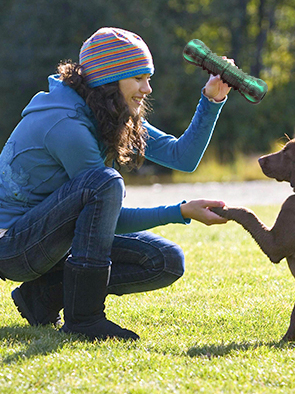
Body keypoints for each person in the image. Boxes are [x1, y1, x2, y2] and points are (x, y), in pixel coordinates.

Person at [0, 27, 231, 341]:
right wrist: (180, 211)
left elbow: (182, 157)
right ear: (108, 80)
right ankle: (84, 320)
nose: (147, 89)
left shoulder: (107, 111)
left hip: (49, 240)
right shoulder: (67, 125)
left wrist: (211, 100)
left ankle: (43, 296)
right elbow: (109, 215)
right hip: (13, 247)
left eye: (148, 77)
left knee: (165, 261)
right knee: (103, 182)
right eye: (138, 78)